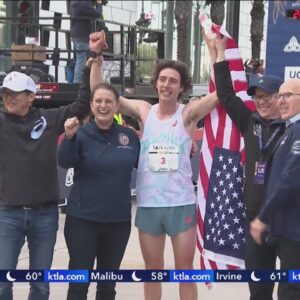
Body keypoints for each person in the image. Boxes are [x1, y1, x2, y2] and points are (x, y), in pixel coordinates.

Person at [90, 44, 219, 298]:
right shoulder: (144, 111)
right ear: (155, 83)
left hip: (180, 204)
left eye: (173, 81)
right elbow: (100, 92)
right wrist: (95, 59)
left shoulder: (188, 114)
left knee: (185, 270)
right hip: (149, 205)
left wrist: (217, 55)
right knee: (153, 270)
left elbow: (218, 94)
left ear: (181, 87)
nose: (166, 85)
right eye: (162, 79)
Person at [0, 32, 105, 300]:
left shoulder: (48, 119)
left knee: (41, 285)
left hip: (44, 216)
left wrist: (91, 60)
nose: (8, 98)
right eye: (5, 93)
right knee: (2, 284)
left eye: (15, 94)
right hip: (6, 216)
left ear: (31, 97)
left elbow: (82, 105)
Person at [205, 36, 285, 300]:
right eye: (257, 97)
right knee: (258, 293)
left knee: (291, 290)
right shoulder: (250, 123)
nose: (261, 102)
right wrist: (218, 54)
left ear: (281, 98)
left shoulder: (293, 129)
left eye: (267, 96)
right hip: (254, 225)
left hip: (288, 226)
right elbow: (226, 95)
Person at [58, 83, 140, 300]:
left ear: (116, 107)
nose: (103, 106)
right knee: (78, 285)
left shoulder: (129, 137)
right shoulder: (79, 133)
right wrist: (68, 137)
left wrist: (185, 152)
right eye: (98, 101)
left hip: (117, 223)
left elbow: (148, 165)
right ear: (92, 106)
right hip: (82, 221)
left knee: (107, 286)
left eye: (109, 101)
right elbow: (65, 160)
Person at [250, 79, 300, 300]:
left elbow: (290, 180)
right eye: (280, 96)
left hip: (294, 233)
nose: (281, 101)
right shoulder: (291, 130)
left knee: (290, 292)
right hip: (283, 230)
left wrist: (263, 218)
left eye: (288, 95)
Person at [70, 0, 107, 83]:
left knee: (79, 59)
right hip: (83, 36)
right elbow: (97, 14)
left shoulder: (75, 2)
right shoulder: (84, 3)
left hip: (76, 35)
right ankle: (78, 82)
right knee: (81, 60)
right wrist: (99, 4)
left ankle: (78, 81)